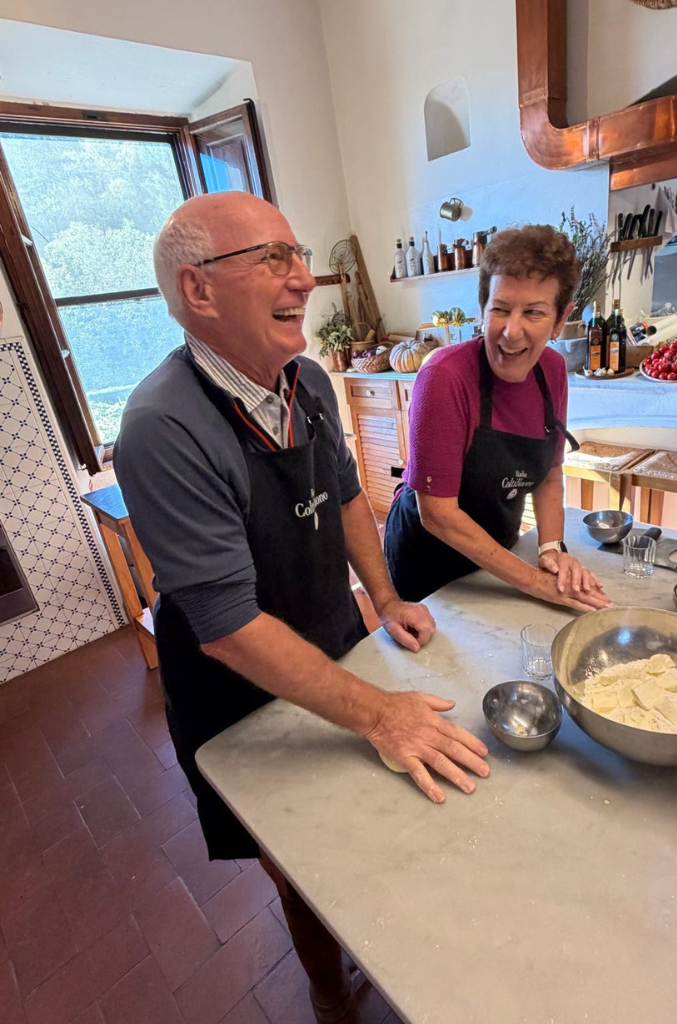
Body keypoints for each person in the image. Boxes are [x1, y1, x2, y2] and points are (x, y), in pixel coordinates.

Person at [114, 192, 490, 1024]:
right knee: (302, 860)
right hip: (238, 687)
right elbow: (229, 632)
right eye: (273, 258)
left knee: (370, 822)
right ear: (198, 290)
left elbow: (347, 495)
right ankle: (328, 991)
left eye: (298, 252)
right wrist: (380, 715)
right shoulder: (160, 428)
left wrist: (385, 598)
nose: (306, 277)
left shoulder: (307, 380)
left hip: (332, 634)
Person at [385, 225, 611, 613]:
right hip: (429, 564)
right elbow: (437, 515)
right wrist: (534, 583)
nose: (511, 331)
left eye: (534, 312)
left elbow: (550, 474)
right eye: (501, 309)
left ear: (561, 319)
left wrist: (551, 549)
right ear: (482, 307)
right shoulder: (444, 377)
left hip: (498, 554)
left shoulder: (553, 371)